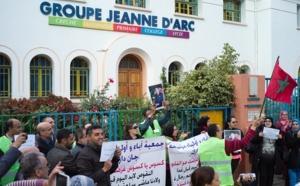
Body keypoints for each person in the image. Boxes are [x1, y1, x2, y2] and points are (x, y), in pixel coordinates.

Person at [198, 118, 262, 186]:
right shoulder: (224, 144)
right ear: (217, 132)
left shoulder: (201, 145)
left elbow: (199, 165)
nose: (222, 132)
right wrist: (253, 127)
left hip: (207, 183)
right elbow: (244, 142)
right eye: (220, 130)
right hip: (223, 182)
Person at [250, 116, 282, 186]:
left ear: (272, 122)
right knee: (263, 177)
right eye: (266, 121)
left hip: (272, 159)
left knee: (270, 177)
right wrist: (259, 135)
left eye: (269, 121)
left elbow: (281, 145)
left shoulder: (276, 130)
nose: (267, 122)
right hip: (262, 159)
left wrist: (280, 138)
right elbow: (253, 140)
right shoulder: (260, 129)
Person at [0, 118, 23, 185]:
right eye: (18, 127)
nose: (21, 129)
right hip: (5, 182)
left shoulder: (23, 140)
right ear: (10, 128)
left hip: (19, 179)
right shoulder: (1, 142)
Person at [285, 119, 300, 186]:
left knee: (298, 180)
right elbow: (289, 144)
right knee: (293, 180)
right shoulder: (289, 134)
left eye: (296, 124)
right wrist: (297, 137)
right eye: (293, 124)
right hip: (292, 161)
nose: (295, 126)